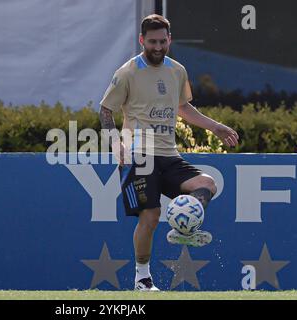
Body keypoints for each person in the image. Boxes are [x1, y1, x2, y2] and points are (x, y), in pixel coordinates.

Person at [99, 14, 239, 291]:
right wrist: (116, 142)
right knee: (150, 217)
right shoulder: (126, 73)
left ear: (170, 40)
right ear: (142, 40)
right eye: (152, 42)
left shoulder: (177, 70)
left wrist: (216, 127)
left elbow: (183, 108)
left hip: (169, 155)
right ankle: (142, 279)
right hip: (139, 156)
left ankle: (184, 228)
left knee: (206, 185)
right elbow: (106, 110)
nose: (158, 47)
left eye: (163, 41)